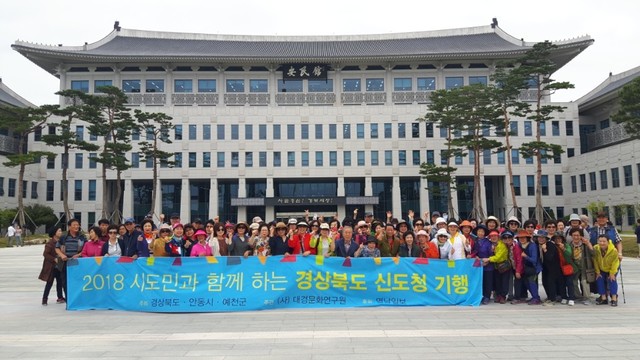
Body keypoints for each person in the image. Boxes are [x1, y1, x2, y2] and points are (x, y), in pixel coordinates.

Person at [55, 219, 86, 299]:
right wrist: (62, 255)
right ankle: (69, 300)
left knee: (77, 281)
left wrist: (79, 255)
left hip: (77, 263)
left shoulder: (82, 237)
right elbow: (57, 248)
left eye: (77, 225)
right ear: (69, 227)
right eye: (74, 225)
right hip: (65, 263)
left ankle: (76, 299)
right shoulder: (63, 237)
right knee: (65, 282)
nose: (76, 226)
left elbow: (86, 249)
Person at [38, 226, 65, 305]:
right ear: (54, 233)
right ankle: (44, 299)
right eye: (59, 231)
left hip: (59, 265)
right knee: (49, 283)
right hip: (51, 266)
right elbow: (45, 254)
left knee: (60, 282)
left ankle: (60, 297)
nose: (61, 232)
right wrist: (54, 259)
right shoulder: (50, 243)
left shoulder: (61, 242)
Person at [568, 227, 595, 304]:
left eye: (578, 235)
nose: (576, 237)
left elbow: (593, 253)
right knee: (574, 282)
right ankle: (578, 296)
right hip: (574, 267)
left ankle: (587, 298)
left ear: (581, 236)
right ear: (571, 236)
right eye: (574, 235)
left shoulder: (585, 245)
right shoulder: (569, 245)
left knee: (584, 281)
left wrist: (589, 244)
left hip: (584, 266)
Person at [535, 229, 562, 304]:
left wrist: (545, 249)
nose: (541, 239)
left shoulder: (550, 245)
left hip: (553, 267)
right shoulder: (537, 245)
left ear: (546, 239)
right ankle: (549, 296)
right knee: (544, 282)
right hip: (545, 267)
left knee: (551, 282)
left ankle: (553, 298)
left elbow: (550, 258)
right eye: (539, 237)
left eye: (543, 238)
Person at [593, 235, 621, 306]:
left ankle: (614, 298)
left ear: (608, 242)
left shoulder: (613, 250)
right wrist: (597, 271)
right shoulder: (596, 248)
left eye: (604, 241)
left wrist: (612, 273)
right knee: (599, 279)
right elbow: (595, 260)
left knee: (612, 280)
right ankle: (603, 298)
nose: (602, 243)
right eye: (600, 241)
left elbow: (615, 262)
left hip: (611, 268)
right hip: (601, 268)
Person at [519, 227, 542, 305]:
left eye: (523, 238)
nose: (522, 239)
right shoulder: (520, 245)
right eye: (520, 238)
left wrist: (525, 256)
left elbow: (534, 260)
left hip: (534, 268)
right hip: (527, 268)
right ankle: (534, 296)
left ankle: (536, 298)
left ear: (527, 238)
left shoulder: (532, 246)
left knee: (532, 282)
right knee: (527, 282)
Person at [486, 230, 510, 304]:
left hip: (504, 265)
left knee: (504, 282)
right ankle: (499, 295)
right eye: (491, 236)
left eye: (495, 236)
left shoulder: (501, 245)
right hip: (496, 266)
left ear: (498, 237)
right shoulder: (492, 245)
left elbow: (498, 257)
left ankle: (503, 296)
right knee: (498, 282)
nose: (493, 238)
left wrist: (488, 259)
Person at [553, 232, 576, 306]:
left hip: (567, 266)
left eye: (559, 238)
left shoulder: (567, 245)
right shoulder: (553, 246)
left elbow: (569, 254)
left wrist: (563, 249)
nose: (558, 240)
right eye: (556, 239)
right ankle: (564, 297)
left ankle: (571, 298)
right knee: (561, 283)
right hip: (558, 267)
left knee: (569, 283)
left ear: (562, 239)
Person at [475, 227, 494, 304]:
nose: (480, 233)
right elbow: (473, 251)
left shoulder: (488, 243)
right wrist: (475, 256)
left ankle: (487, 296)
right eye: (479, 231)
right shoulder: (474, 241)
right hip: (478, 264)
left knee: (487, 281)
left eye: (482, 232)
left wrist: (488, 260)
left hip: (487, 264)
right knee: (479, 282)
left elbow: (492, 253)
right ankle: (480, 296)